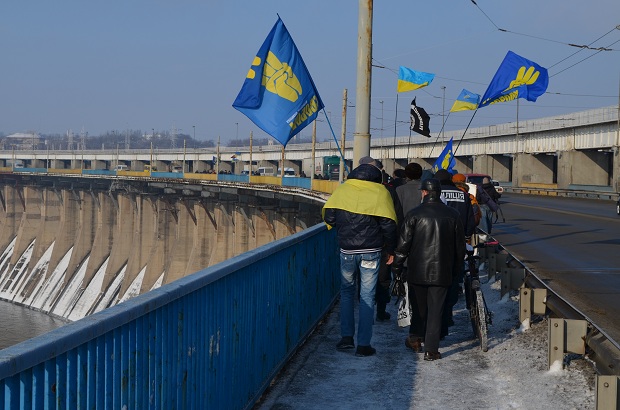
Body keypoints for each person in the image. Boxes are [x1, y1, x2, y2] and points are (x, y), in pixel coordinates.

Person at [322, 163, 398, 357]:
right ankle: (363, 345)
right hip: (372, 251)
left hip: (346, 250)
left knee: (347, 293)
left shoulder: (343, 189)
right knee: (367, 295)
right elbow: (389, 225)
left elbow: (329, 217)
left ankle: (346, 338)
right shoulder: (381, 192)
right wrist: (389, 250)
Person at [391, 178, 465, 361]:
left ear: (424, 192)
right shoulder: (453, 215)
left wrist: (397, 268)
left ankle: (415, 339)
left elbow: (403, 245)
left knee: (419, 307)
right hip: (443, 271)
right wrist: (456, 270)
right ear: (438, 193)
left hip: (417, 270)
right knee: (436, 309)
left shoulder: (414, 214)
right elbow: (459, 248)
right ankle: (431, 350)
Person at [433, 169, 476, 338]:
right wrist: (465, 239)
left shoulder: (434, 194)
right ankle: (448, 312)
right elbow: (470, 220)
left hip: (437, 243)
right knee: (453, 280)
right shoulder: (463, 195)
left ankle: (439, 317)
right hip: (457, 244)